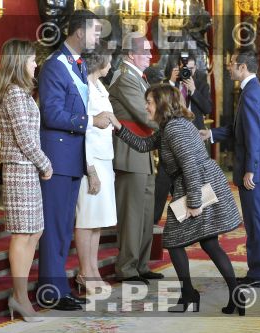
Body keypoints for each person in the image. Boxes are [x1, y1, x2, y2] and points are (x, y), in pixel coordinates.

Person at [108, 84, 243, 315]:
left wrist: (194, 203)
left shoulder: (175, 129)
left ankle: (191, 293)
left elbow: (190, 166)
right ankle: (234, 293)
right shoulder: (170, 126)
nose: (146, 107)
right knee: (209, 243)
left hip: (196, 185)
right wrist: (118, 126)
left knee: (173, 240)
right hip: (197, 183)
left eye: (149, 102)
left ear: (161, 104)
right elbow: (143, 145)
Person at [37, 10, 111, 311]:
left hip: (72, 159)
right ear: (79, 32)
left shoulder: (77, 65)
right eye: (95, 31)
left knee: (64, 228)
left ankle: (60, 287)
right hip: (56, 158)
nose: (98, 38)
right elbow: (51, 114)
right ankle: (51, 292)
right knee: (55, 228)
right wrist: (90, 120)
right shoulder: (55, 66)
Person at [200, 48, 260, 288]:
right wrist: (211, 133)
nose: (229, 66)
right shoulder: (254, 91)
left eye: (232, 63)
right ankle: (258, 270)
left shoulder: (252, 93)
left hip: (257, 170)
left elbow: (254, 136)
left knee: (257, 222)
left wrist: (250, 170)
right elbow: (240, 130)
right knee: (257, 221)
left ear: (243, 67)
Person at [0, 39, 53, 322]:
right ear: (18, 62)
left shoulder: (22, 92)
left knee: (34, 232)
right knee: (23, 233)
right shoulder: (14, 94)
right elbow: (24, 138)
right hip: (20, 169)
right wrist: (44, 162)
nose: (35, 64)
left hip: (27, 169)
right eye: (31, 60)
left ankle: (20, 295)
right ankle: (20, 297)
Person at [109, 32, 163, 283]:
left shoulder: (137, 78)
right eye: (146, 51)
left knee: (145, 212)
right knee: (131, 214)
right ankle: (127, 268)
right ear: (131, 53)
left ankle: (141, 265)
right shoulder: (125, 78)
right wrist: (172, 124)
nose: (150, 56)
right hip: (129, 152)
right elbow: (144, 115)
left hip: (142, 152)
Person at [74, 42, 115, 295]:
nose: (110, 65)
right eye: (108, 60)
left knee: (98, 220)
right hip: (91, 162)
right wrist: (89, 168)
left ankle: (94, 269)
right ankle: (84, 272)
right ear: (99, 61)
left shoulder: (100, 86)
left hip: (105, 158)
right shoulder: (84, 88)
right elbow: (85, 130)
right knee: (87, 218)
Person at [153, 54, 213, 224]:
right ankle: (153, 221)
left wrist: (193, 90)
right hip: (170, 138)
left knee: (195, 180)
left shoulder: (200, 82)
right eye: (185, 69)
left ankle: (198, 220)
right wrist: (171, 83)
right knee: (163, 182)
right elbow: (161, 103)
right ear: (177, 68)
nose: (188, 72)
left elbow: (208, 107)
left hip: (194, 136)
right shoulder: (169, 83)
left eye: (192, 69)